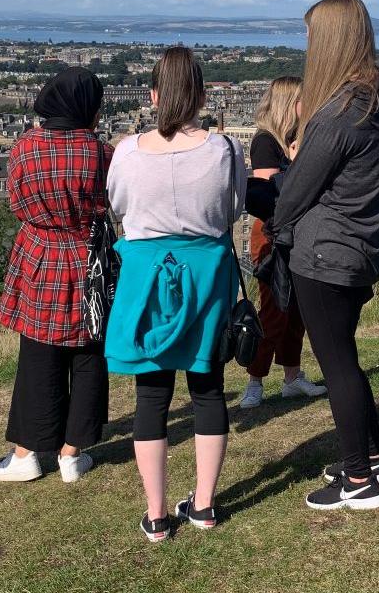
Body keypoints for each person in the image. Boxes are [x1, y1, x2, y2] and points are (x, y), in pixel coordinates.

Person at [272, 0, 379, 510]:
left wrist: (274, 213)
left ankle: (357, 481)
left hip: (325, 253)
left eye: (311, 35)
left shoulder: (337, 115)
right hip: (364, 247)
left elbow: (293, 195)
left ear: (328, 39)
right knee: (345, 358)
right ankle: (375, 459)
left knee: (338, 367)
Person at [105, 46, 246, 542]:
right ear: (203, 95)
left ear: (153, 94)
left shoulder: (126, 151)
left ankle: (157, 513)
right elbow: (234, 208)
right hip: (206, 273)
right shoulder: (225, 150)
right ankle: (204, 505)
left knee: (152, 392)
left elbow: (119, 204)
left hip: (147, 275)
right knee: (206, 386)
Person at [0, 67, 111, 484]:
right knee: (90, 354)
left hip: (40, 256)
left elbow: (16, 202)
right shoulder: (101, 152)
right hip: (90, 258)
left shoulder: (25, 148)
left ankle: (26, 454)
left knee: (39, 355)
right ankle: (72, 454)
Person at [239, 76, 328, 409]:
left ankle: (292, 377)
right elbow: (269, 195)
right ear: (288, 103)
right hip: (273, 234)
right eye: (302, 100)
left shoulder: (294, 138)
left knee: (297, 312)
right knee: (274, 310)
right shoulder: (266, 141)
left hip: (296, 231)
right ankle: (255, 380)